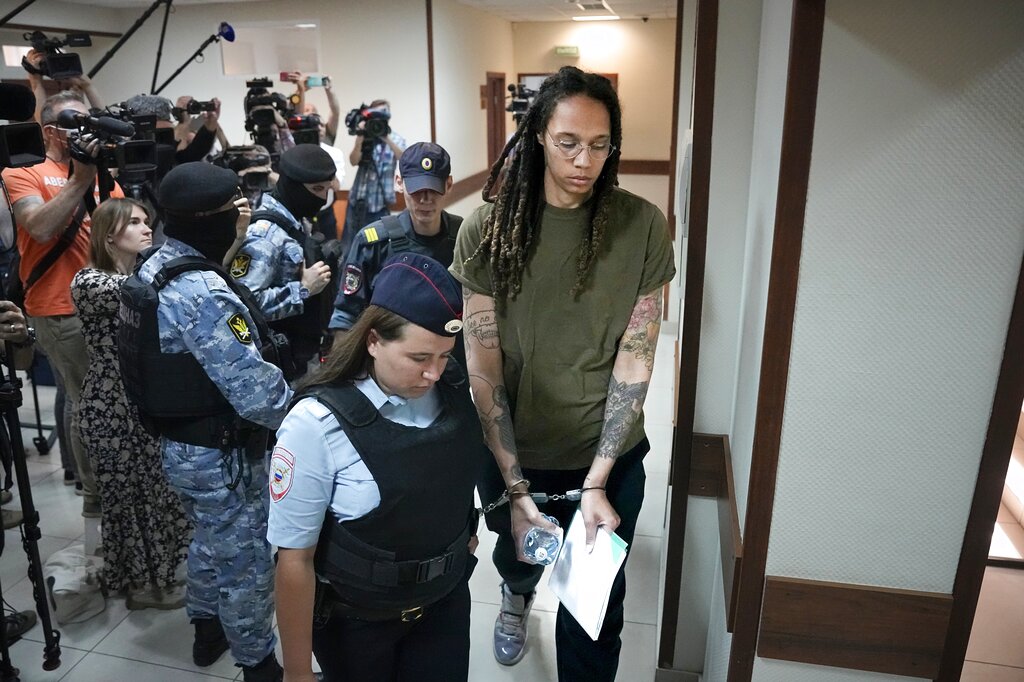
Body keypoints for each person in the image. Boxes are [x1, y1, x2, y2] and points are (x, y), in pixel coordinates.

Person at [449, 66, 676, 681]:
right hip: (515, 449)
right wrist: (516, 487)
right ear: (538, 137)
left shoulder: (641, 225)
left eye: (600, 145)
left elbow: (636, 357)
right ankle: (516, 595)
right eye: (568, 142)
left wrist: (597, 481)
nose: (584, 160)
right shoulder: (488, 230)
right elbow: (483, 364)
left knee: (592, 612)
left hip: (607, 455)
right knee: (519, 557)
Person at [270, 252, 485, 682]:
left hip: (442, 604)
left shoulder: (452, 388)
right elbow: (294, 559)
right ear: (373, 341)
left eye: (444, 356)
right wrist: (296, 672)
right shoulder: (316, 424)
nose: (433, 373)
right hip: (358, 624)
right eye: (419, 357)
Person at [122, 162, 291, 681]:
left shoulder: (155, 265)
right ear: (210, 220)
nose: (240, 219)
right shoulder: (202, 291)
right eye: (232, 211)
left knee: (208, 538)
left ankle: (206, 628)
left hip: (180, 445)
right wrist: (305, 411)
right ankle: (258, 663)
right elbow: (257, 395)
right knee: (246, 560)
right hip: (223, 455)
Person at [1, 89, 127, 519]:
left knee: (103, 398)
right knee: (86, 399)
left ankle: (113, 482)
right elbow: (38, 228)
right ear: (51, 131)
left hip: (107, 301)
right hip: (59, 306)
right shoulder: (24, 171)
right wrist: (78, 179)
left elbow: (119, 232)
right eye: (76, 123)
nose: (85, 131)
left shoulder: (100, 172)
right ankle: (96, 496)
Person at [69, 198, 192, 609]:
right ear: (108, 235)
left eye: (147, 221)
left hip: (136, 400)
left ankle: (157, 577)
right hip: (111, 407)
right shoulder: (90, 282)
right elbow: (149, 295)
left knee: (155, 493)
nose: (147, 228)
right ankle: (141, 587)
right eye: (135, 223)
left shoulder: (134, 275)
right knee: (129, 500)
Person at [328, 142, 460, 340]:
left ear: (448, 185)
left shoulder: (463, 237)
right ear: (399, 183)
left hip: (451, 350)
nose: (425, 199)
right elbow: (346, 316)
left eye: (434, 189)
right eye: (416, 189)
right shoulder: (373, 242)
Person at [231, 144, 336, 375]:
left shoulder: (296, 220)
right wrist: (303, 290)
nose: (322, 197)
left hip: (301, 355)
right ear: (293, 186)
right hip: (277, 368)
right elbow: (244, 305)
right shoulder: (265, 236)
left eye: (327, 189)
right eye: (317, 189)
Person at [344, 99, 407, 236]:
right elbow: (353, 161)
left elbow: (404, 159)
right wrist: (359, 139)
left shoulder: (396, 139)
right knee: (350, 244)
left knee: (375, 243)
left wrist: (386, 138)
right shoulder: (365, 137)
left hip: (380, 205)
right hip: (357, 202)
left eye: (384, 111)